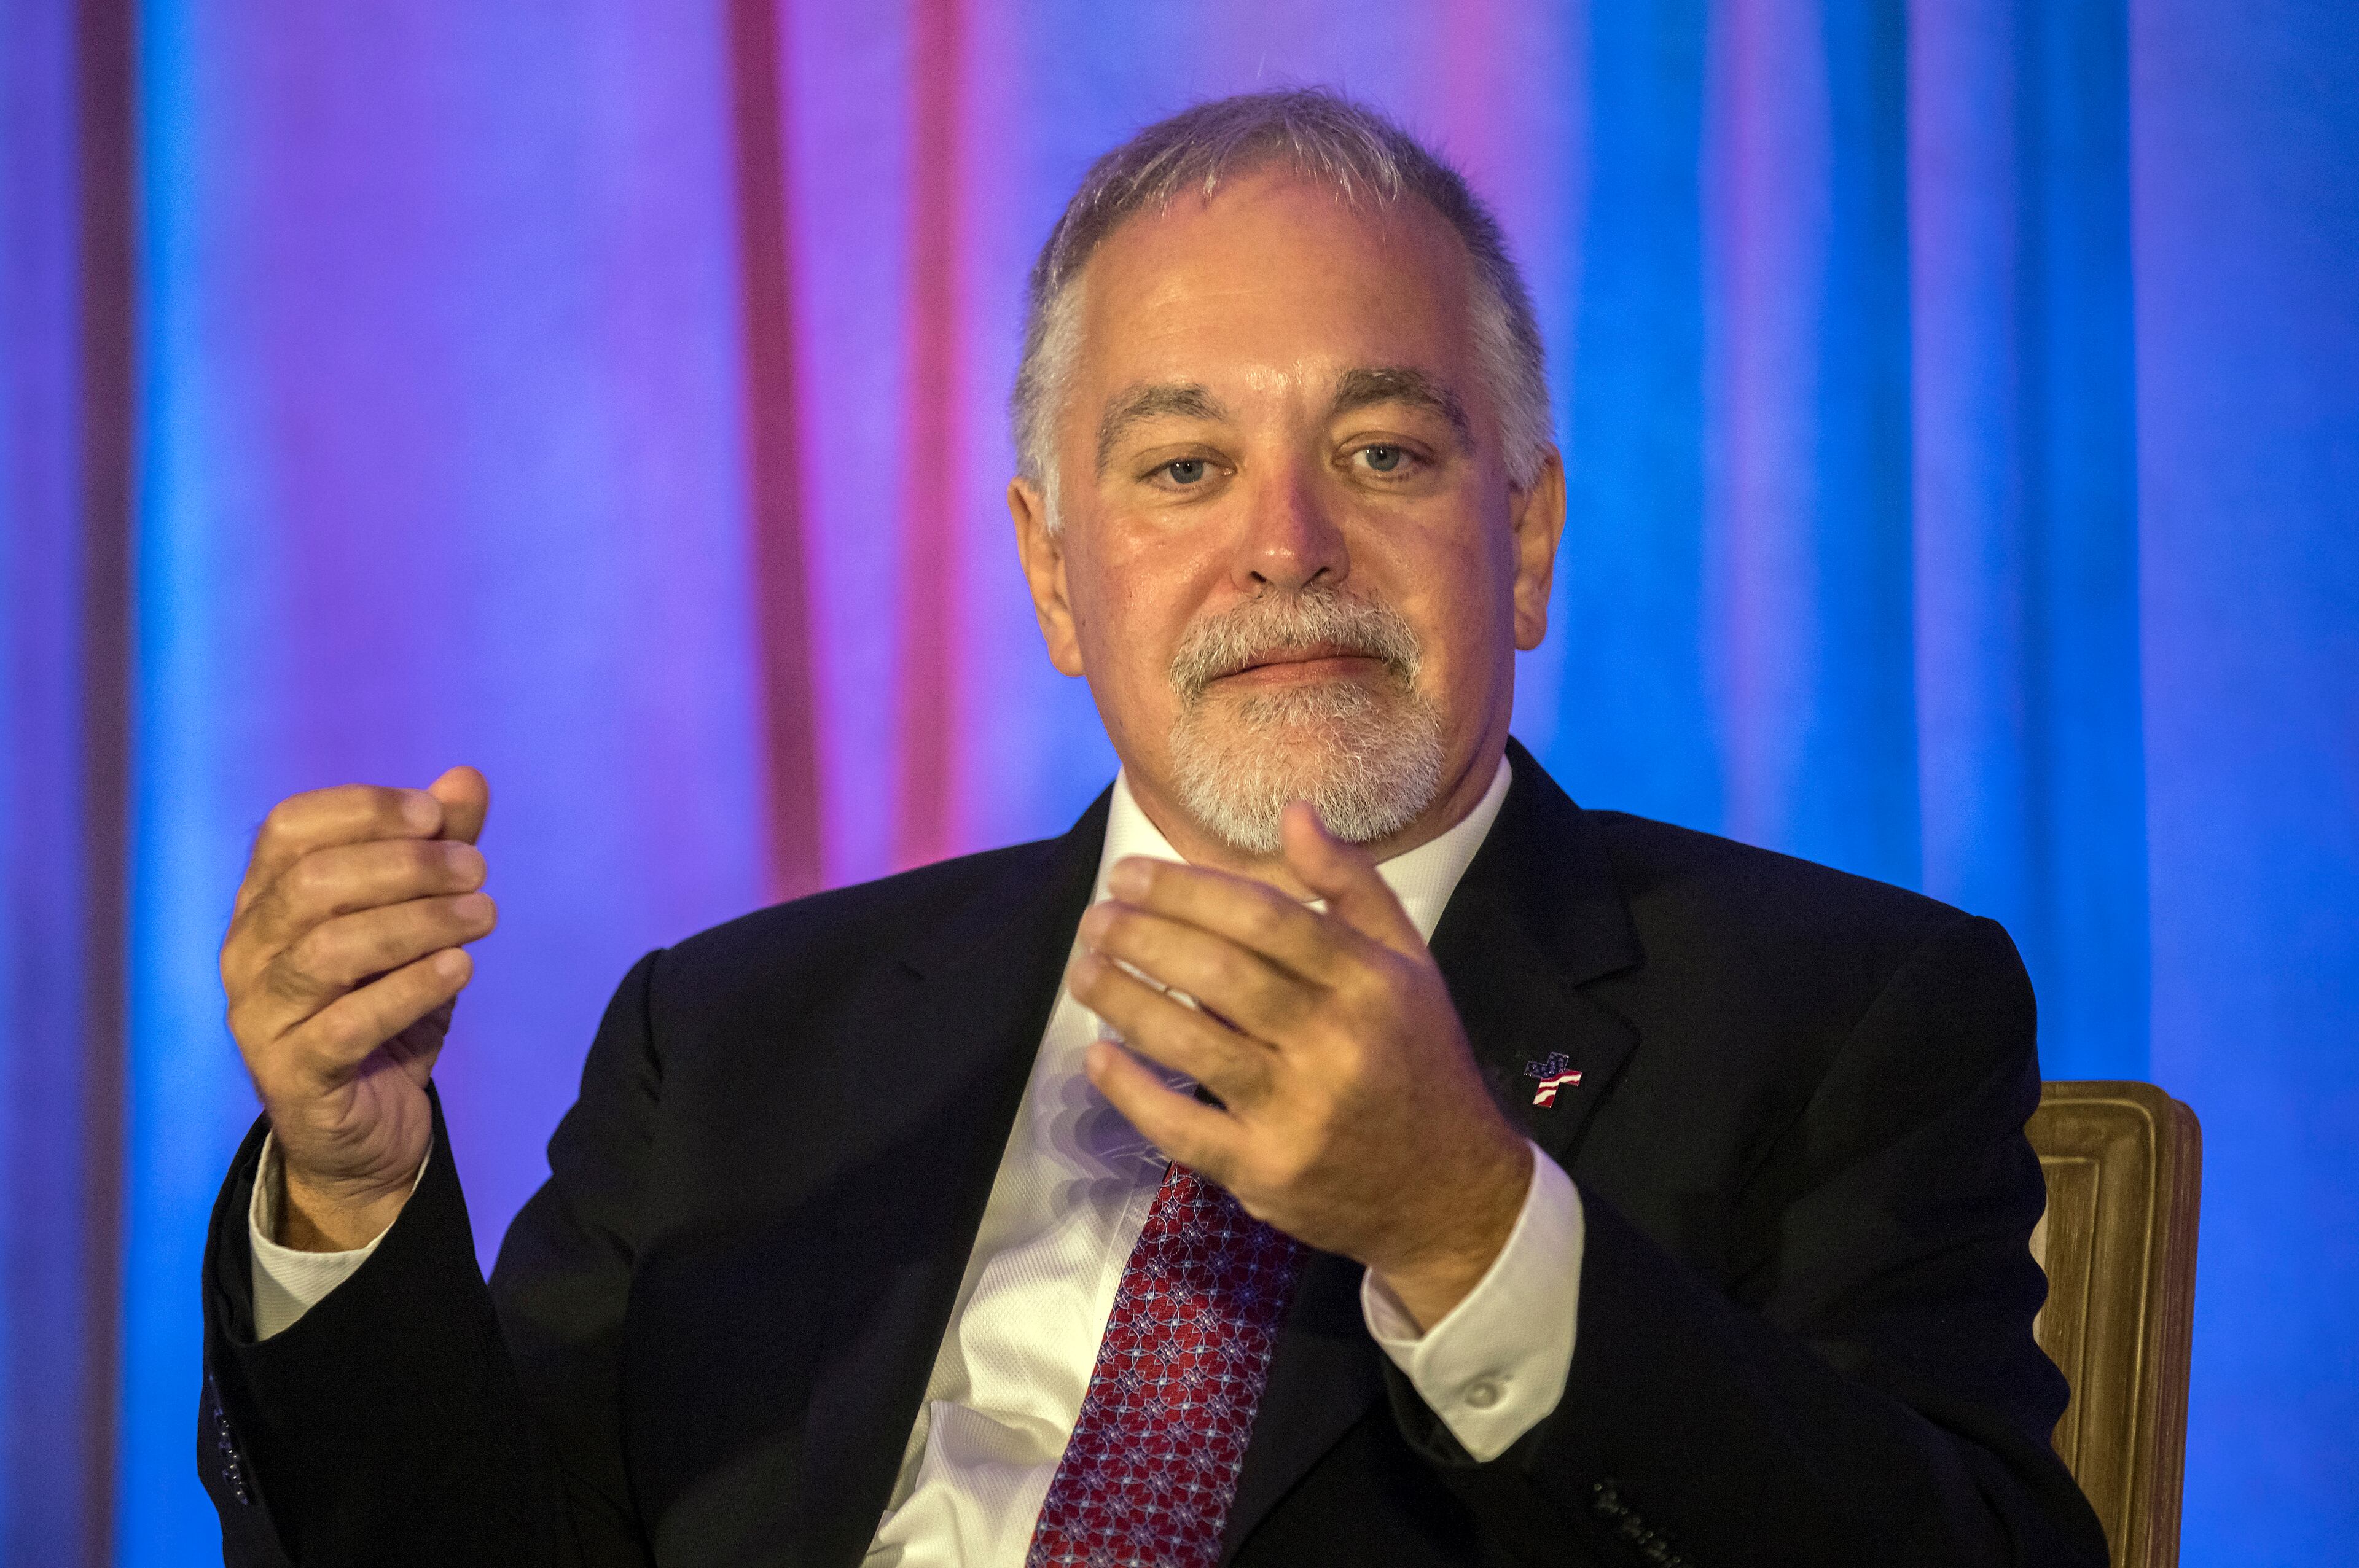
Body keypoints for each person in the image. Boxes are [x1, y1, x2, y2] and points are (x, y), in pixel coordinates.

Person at [198, 90, 2108, 1568]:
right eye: (1185, 467)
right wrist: (352, 1195)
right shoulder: (732, 1040)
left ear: (1521, 539)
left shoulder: (1846, 1011)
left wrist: (1468, 1223)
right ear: (1052, 574)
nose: (1286, 544)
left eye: (1383, 453)